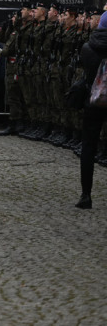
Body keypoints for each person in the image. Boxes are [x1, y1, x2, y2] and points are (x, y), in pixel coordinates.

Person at [75, 11, 107, 209]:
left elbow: (85, 73)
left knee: (88, 147)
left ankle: (86, 194)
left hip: (93, 101)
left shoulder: (88, 47)